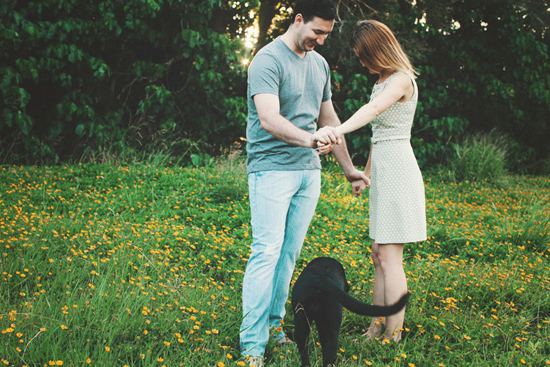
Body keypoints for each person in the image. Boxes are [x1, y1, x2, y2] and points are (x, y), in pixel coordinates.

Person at [239, 1, 369, 366]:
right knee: (266, 251)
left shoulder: (320, 65)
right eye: (317, 32)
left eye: (327, 33)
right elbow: (268, 118)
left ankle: (275, 326)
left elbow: (329, 118)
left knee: (288, 256)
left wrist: (348, 168)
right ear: (298, 20)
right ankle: (251, 345)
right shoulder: (267, 60)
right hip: (271, 170)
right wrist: (310, 140)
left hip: (308, 174)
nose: (322, 40)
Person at [314, 19, 427, 344]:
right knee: (378, 253)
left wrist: (337, 130)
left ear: (379, 49)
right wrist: (364, 173)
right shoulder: (382, 79)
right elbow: (379, 136)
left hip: (401, 171)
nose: (362, 63)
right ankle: (375, 327)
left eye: (365, 56)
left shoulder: (402, 79)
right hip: (384, 172)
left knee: (391, 258)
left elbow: (374, 110)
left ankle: (393, 334)